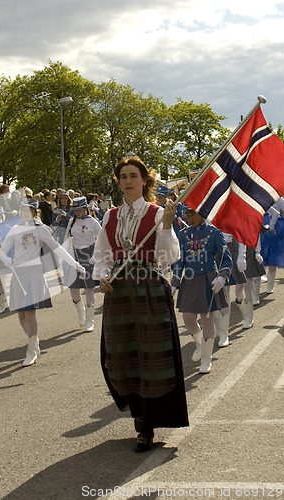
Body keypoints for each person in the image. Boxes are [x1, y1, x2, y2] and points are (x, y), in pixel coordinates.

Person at [93, 155, 188, 453]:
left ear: (145, 180)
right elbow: (102, 253)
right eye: (123, 177)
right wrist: (103, 276)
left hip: (148, 288)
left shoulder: (159, 213)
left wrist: (168, 225)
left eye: (133, 176)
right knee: (122, 356)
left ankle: (147, 425)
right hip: (119, 293)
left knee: (151, 358)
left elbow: (167, 257)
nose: (128, 181)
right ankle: (137, 414)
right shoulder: (110, 216)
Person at [0, 198, 85, 367]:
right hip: (19, 273)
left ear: (34, 211)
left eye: (28, 210)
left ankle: (31, 350)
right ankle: (34, 342)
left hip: (34, 273)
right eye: (22, 210)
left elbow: (57, 248)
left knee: (30, 313)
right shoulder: (15, 229)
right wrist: (7, 260)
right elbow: (2, 250)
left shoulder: (40, 229)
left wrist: (75, 265)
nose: (25, 213)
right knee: (20, 314)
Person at [172, 207, 232, 374]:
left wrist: (222, 276)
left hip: (208, 279)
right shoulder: (183, 234)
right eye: (188, 215)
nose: (190, 218)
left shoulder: (214, 233)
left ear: (202, 213)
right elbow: (180, 261)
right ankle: (200, 344)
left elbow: (226, 258)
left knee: (207, 318)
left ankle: (206, 358)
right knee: (188, 319)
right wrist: (174, 283)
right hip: (190, 280)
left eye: (193, 214)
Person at [64, 196, 101, 331]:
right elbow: (66, 238)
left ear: (85, 208)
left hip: (89, 255)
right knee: (73, 289)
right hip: (75, 255)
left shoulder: (93, 222)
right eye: (75, 209)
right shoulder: (72, 221)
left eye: (79, 209)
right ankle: (81, 314)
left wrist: (96, 255)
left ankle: (90, 321)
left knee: (89, 289)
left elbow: (102, 238)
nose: (77, 212)